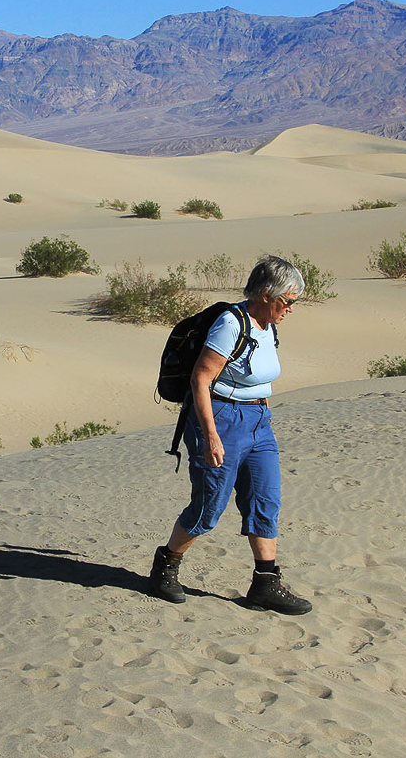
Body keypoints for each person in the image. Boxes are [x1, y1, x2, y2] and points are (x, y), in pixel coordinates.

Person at [148, 255, 312, 615]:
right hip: (220, 419)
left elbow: (259, 374)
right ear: (267, 294)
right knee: (209, 508)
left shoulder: (269, 325)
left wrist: (262, 408)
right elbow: (201, 379)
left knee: (265, 501)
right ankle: (166, 565)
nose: (291, 309)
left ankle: (265, 584)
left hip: (257, 422)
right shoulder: (229, 324)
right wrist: (210, 435)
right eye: (288, 301)